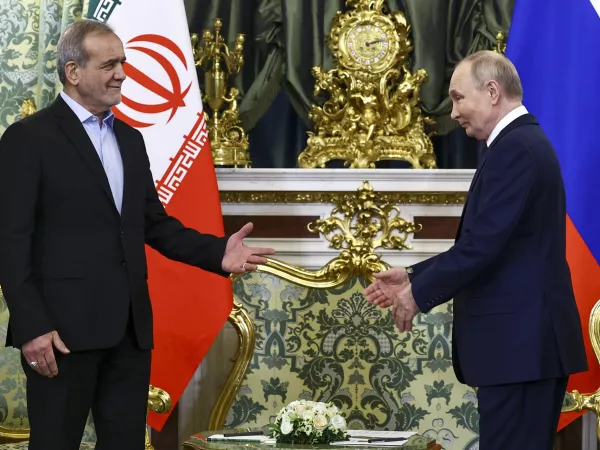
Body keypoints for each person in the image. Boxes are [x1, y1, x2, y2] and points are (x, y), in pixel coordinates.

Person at [0, 19, 275, 450]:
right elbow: (11, 241)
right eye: (110, 64)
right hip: (60, 337)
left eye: (123, 62)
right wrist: (33, 327)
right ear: (73, 72)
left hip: (129, 332)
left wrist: (217, 253)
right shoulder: (28, 139)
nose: (122, 73)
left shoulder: (130, 138)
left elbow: (153, 224)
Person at [364, 50, 588, 450]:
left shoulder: (516, 149)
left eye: (458, 97)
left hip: (521, 349)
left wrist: (416, 295)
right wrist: (413, 277)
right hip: (520, 348)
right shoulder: (515, 145)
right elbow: (494, 244)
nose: (453, 112)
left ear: (491, 91)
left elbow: (482, 246)